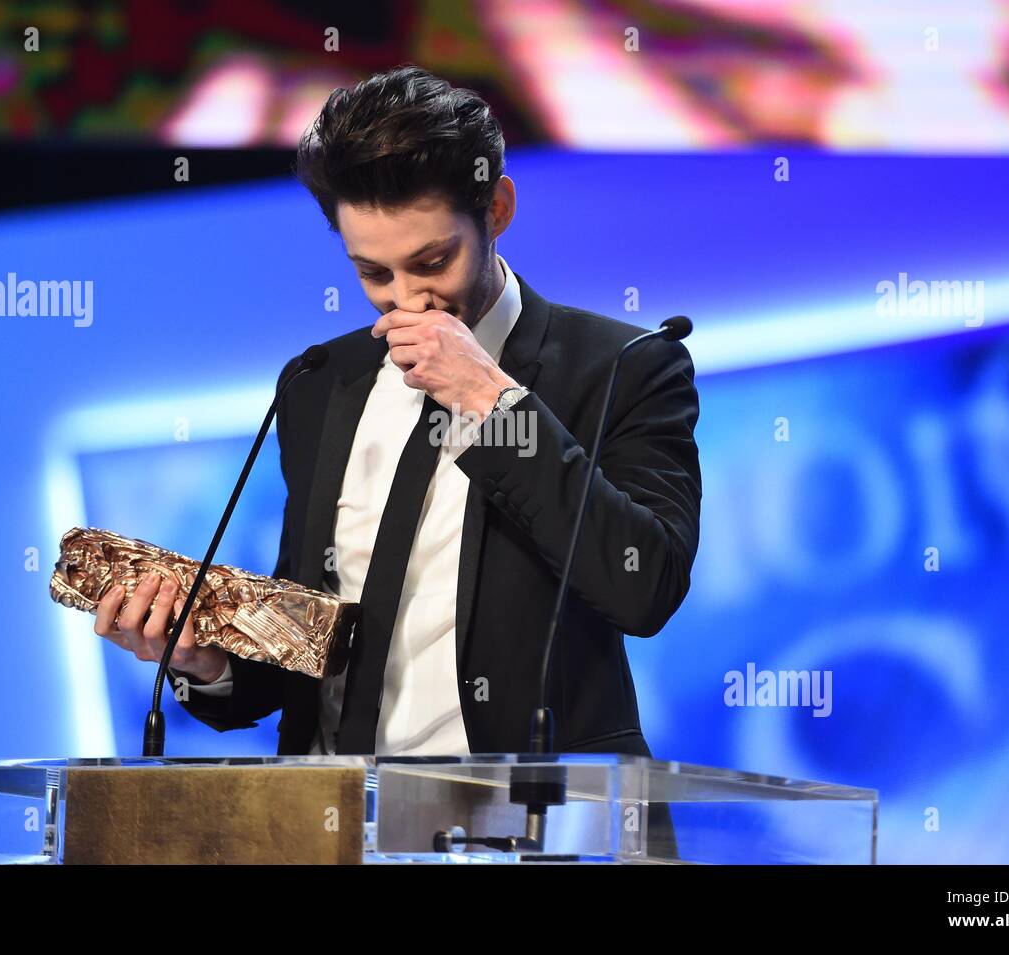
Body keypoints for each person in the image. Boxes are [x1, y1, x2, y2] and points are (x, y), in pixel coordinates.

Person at [93, 64, 700, 857]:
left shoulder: (624, 364)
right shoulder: (320, 383)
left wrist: (493, 402)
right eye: (373, 273)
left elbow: (643, 585)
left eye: (432, 262)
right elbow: (309, 639)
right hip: (339, 831)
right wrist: (207, 661)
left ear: (499, 209)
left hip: (543, 830)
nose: (407, 299)